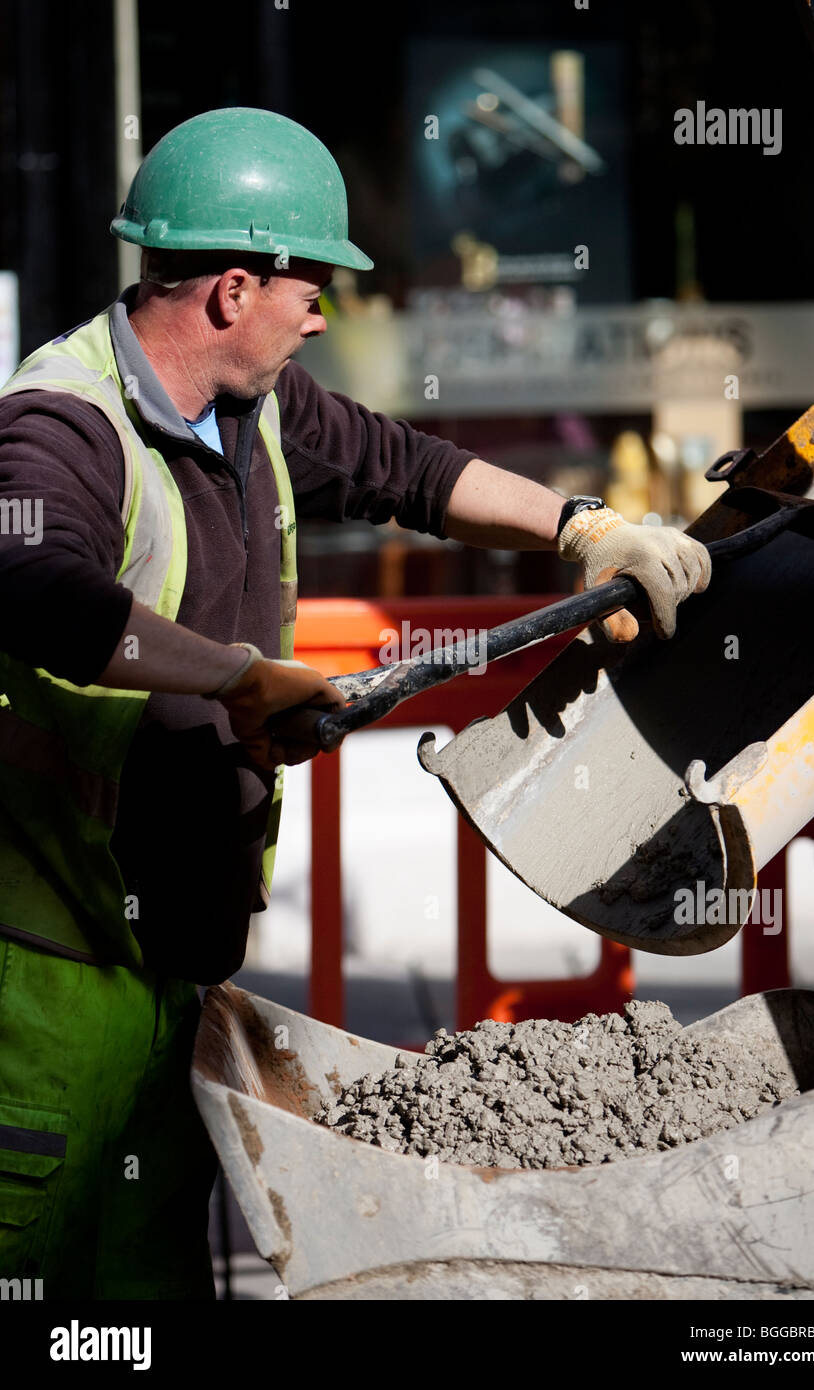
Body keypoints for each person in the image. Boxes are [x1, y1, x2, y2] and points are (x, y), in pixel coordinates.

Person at [0, 107, 710, 1298]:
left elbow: (410, 471)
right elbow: (34, 593)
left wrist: (586, 528)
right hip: (48, 983)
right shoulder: (60, 427)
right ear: (233, 290)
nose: (325, 311)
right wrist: (238, 676)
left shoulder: (257, 407)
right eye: (312, 287)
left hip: (171, 969)